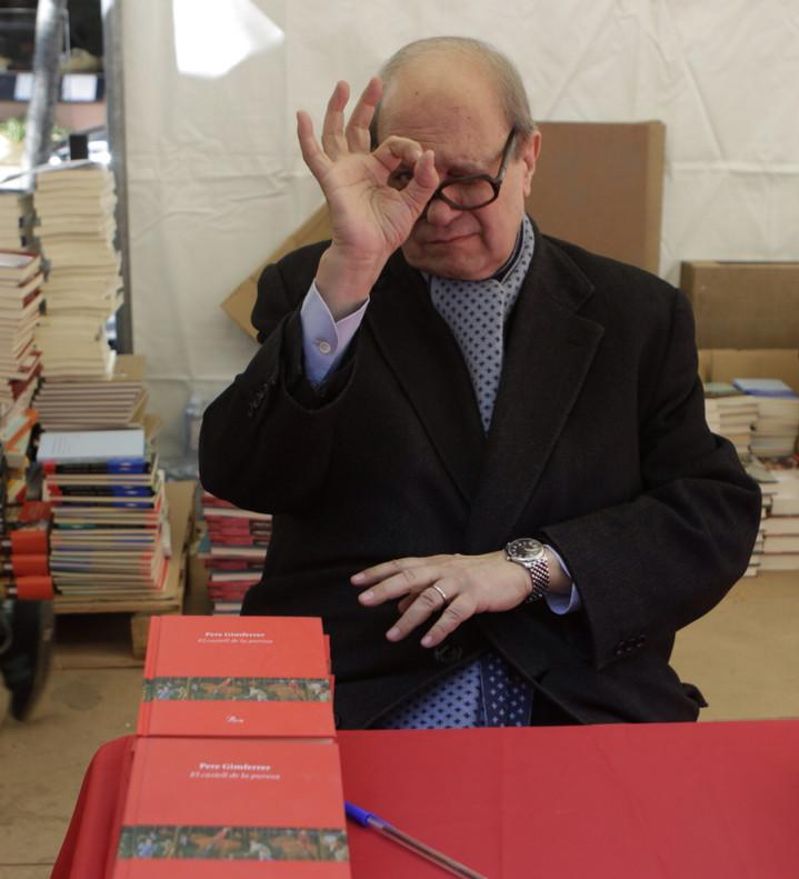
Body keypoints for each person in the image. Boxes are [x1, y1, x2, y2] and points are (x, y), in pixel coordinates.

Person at [199, 36, 760, 730]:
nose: (436, 211)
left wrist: (529, 565)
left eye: (466, 179)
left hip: (571, 690)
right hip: (368, 687)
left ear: (528, 156)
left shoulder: (637, 316)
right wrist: (348, 274)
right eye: (409, 176)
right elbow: (244, 473)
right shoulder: (322, 283)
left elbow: (711, 512)